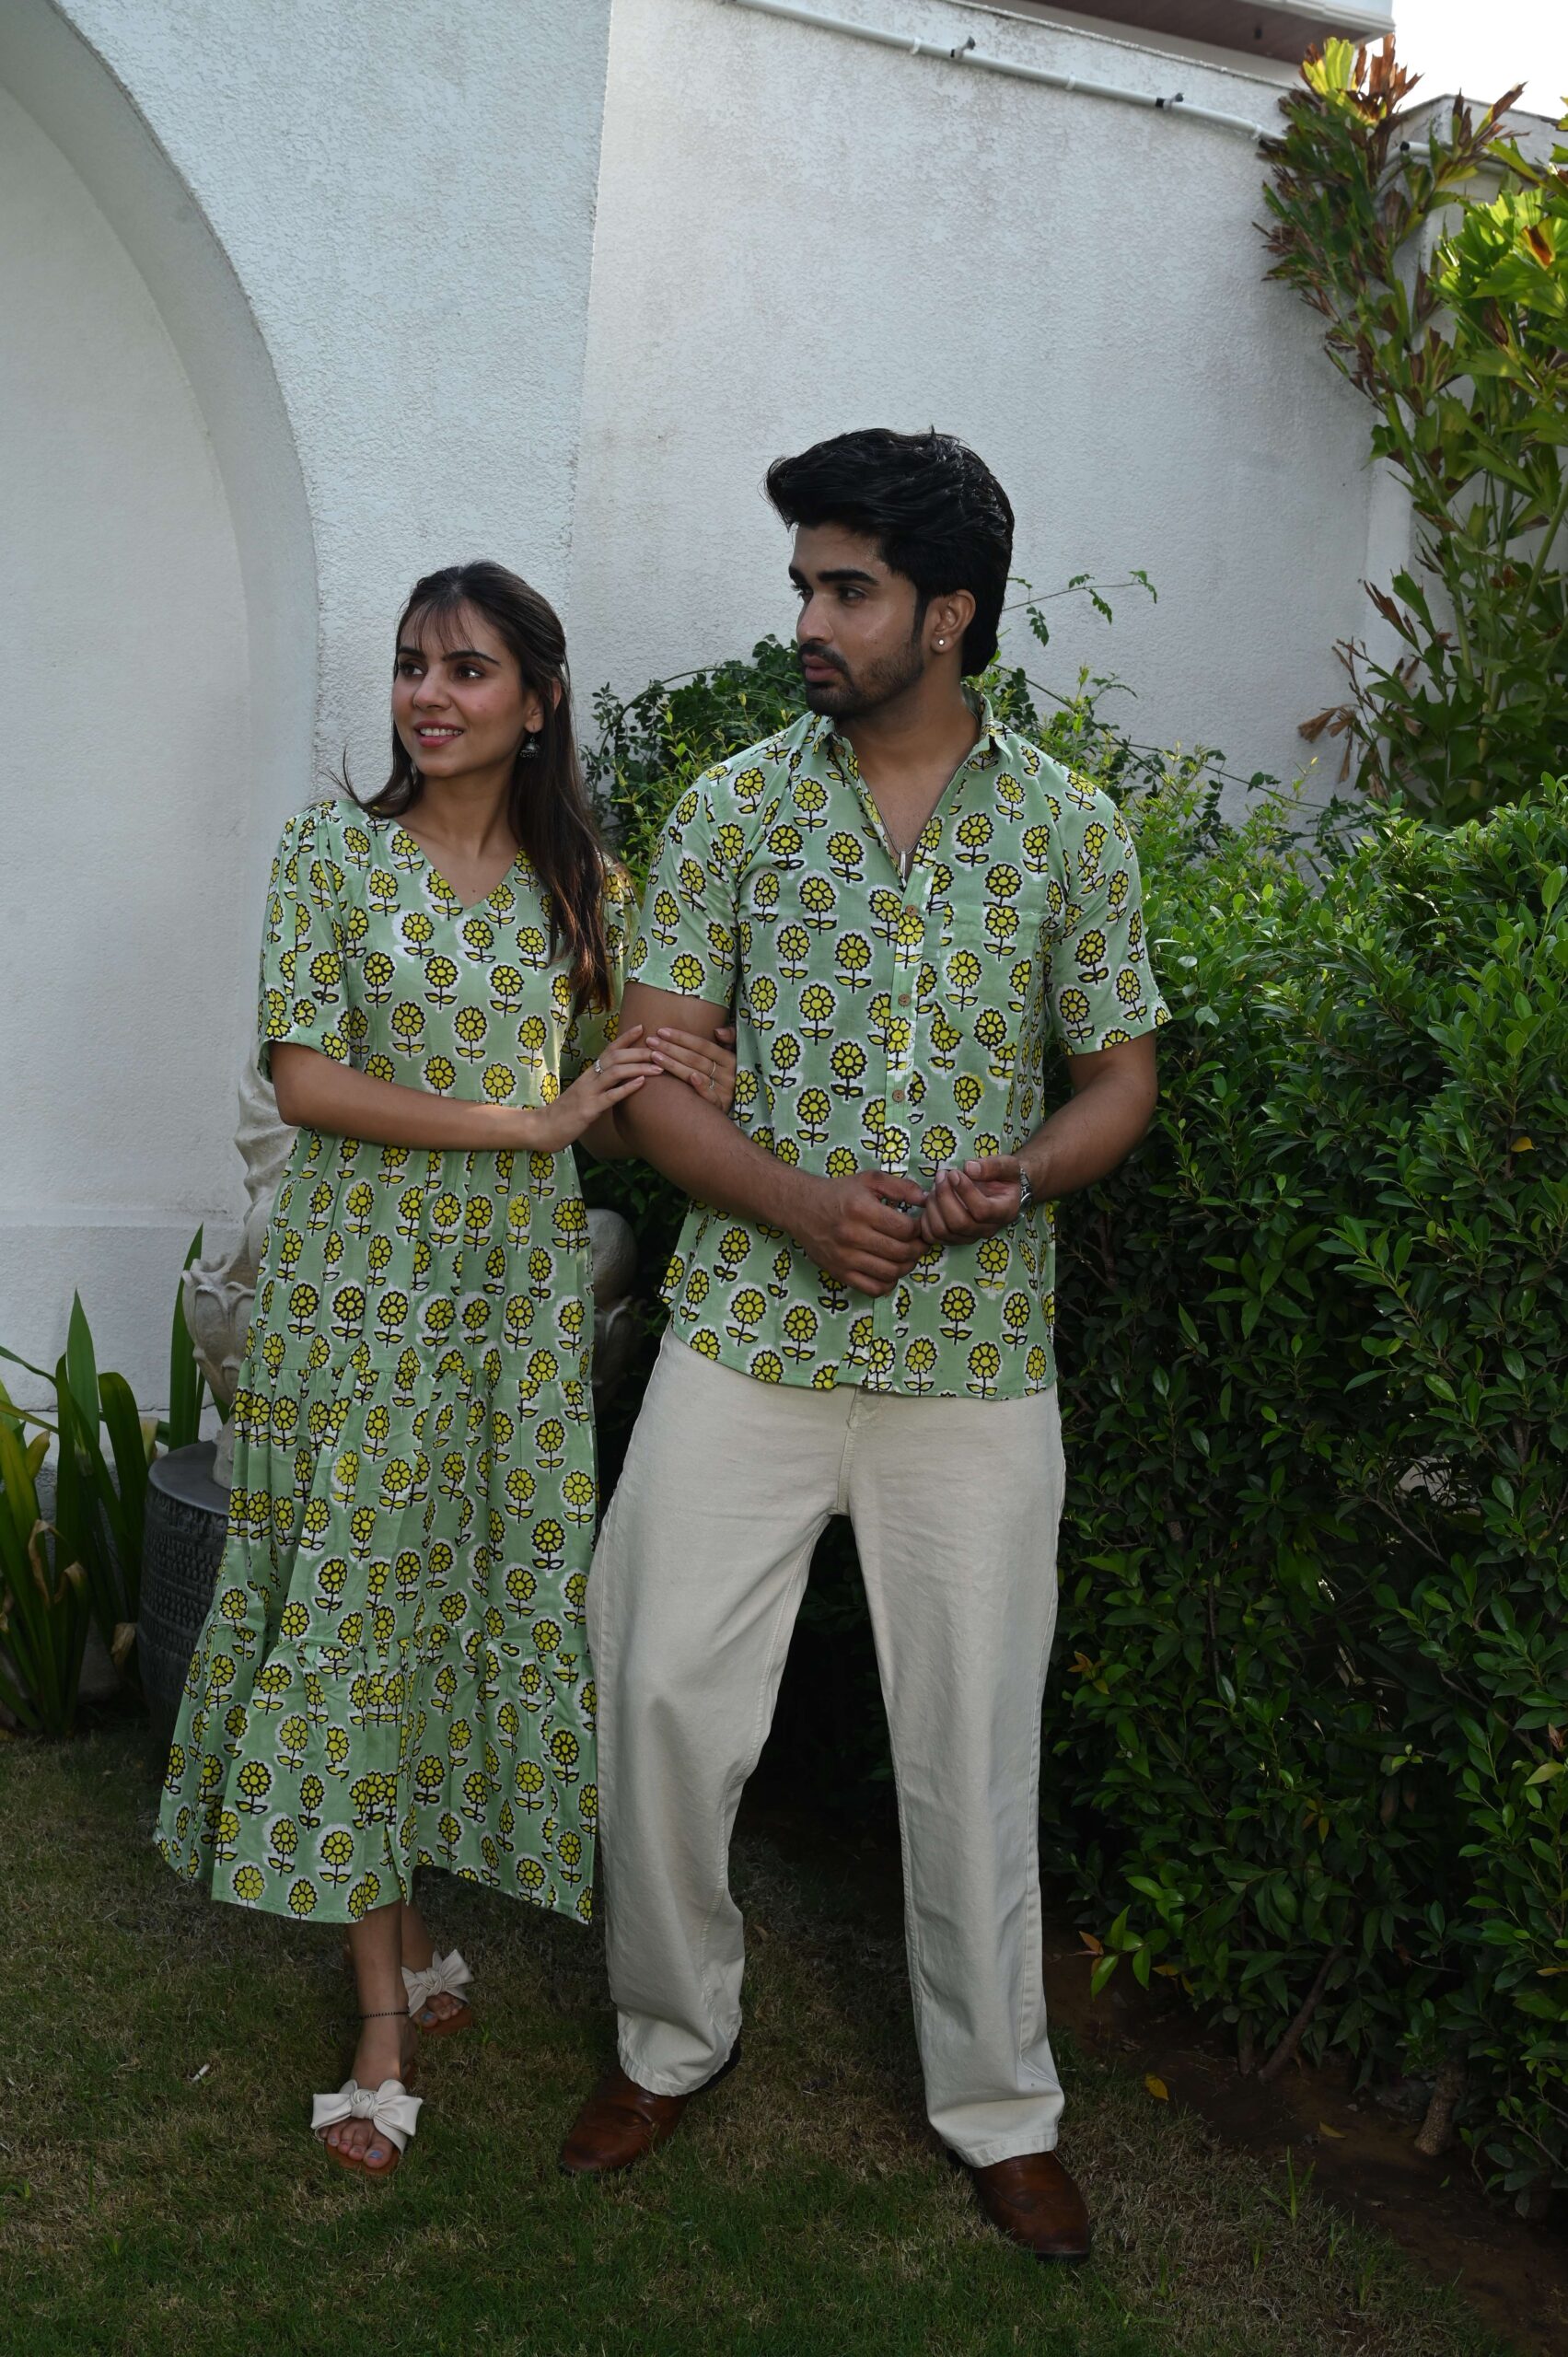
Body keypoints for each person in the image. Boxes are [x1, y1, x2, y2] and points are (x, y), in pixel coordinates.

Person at [559, 431, 1168, 2260]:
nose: (810, 621)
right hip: (748, 1335)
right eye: (805, 586)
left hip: (975, 1360)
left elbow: (1118, 1077)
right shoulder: (734, 809)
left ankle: (1001, 2106)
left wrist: (1024, 1174)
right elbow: (653, 1082)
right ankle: (669, 2036)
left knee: (972, 1743)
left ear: (950, 613)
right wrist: (800, 1202)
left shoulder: (1070, 827)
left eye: (849, 589)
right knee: (656, 1688)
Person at [155, 560, 733, 2177]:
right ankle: (381, 2027)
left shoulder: (586, 891)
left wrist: (679, 1082)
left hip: (506, 1311)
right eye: (414, 664)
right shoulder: (331, 855)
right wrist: (527, 1123)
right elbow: (306, 1077)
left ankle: (409, 1943)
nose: (428, 694)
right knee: (353, 1608)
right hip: (355, 1295)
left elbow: (612, 1095)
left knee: (450, 1598)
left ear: (537, 701)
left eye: (466, 669)